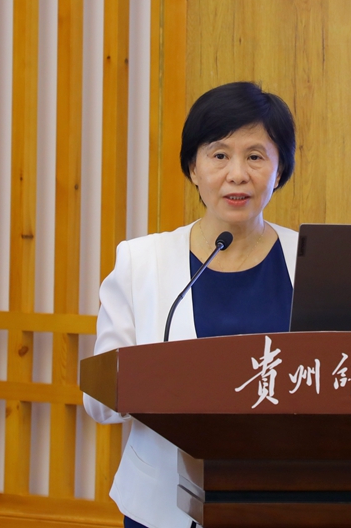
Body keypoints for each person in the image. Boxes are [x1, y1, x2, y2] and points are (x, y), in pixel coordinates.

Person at [83, 81, 298, 528]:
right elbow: (97, 402)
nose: (237, 174)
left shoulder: (309, 260)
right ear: (193, 168)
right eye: (219, 155)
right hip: (163, 506)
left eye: (255, 156)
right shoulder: (141, 261)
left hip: (284, 499)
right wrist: (155, 381)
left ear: (279, 170)